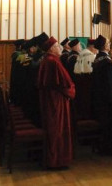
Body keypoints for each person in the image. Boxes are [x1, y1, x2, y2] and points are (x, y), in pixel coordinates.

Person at [37, 37, 75, 168]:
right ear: (51, 49)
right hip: (56, 102)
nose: (60, 48)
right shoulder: (52, 62)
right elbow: (61, 84)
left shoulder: (49, 60)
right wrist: (71, 91)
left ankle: (58, 160)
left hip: (54, 101)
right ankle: (57, 161)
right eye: (58, 46)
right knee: (57, 130)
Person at [91, 36, 112, 155]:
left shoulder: (98, 59)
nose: (109, 44)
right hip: (107, 100)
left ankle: (102, 146)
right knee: (109, 124)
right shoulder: (106, 62)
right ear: (104, 46)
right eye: (108, 43)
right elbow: (109, 83)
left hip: (99, 97)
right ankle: (109, 148)